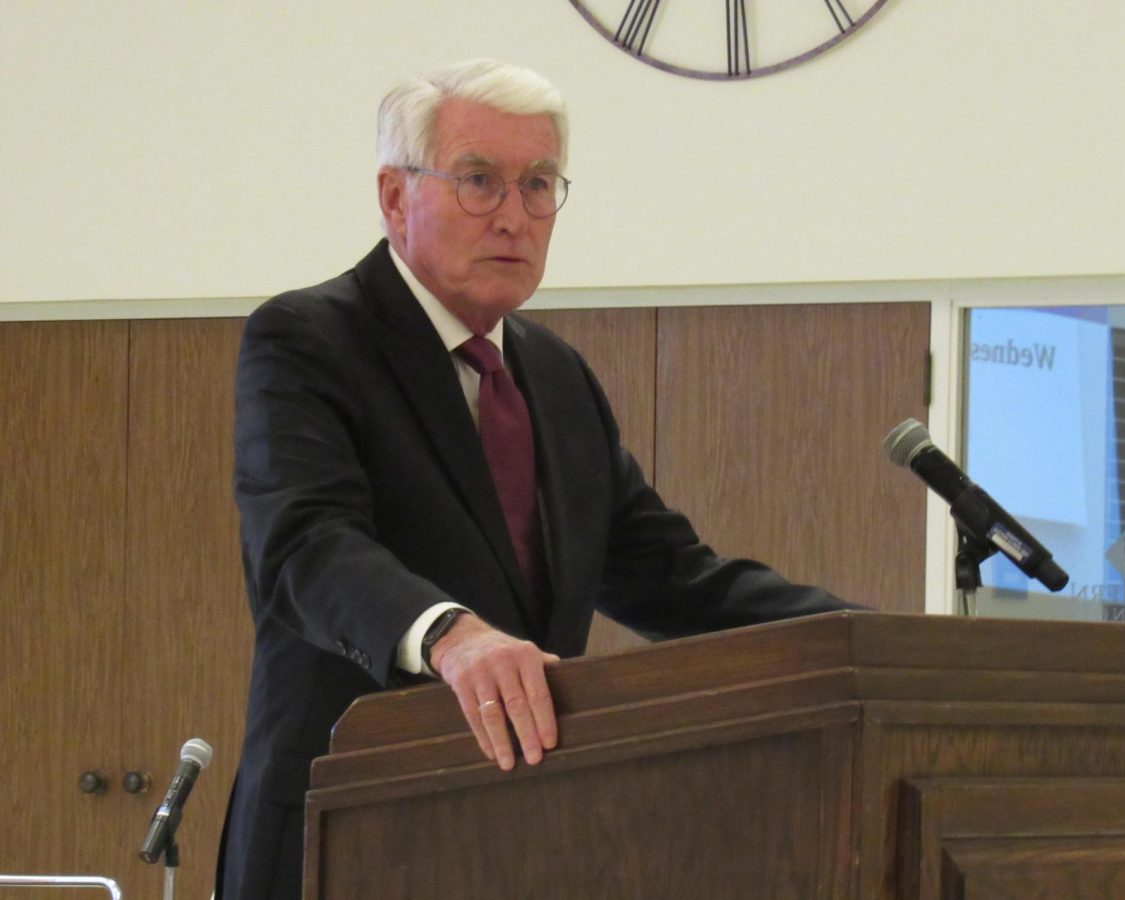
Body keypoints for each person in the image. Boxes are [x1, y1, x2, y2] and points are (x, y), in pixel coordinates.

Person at [216, 58, 855, 899]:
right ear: (395, 196)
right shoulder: (307, 340)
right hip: (346, 832)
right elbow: (305, 545)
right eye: (479, 181)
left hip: (519, 838)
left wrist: (870, 639)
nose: (515, 216)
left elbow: (675, 580)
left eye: (539, 185)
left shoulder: (554, 377)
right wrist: (452, 635)